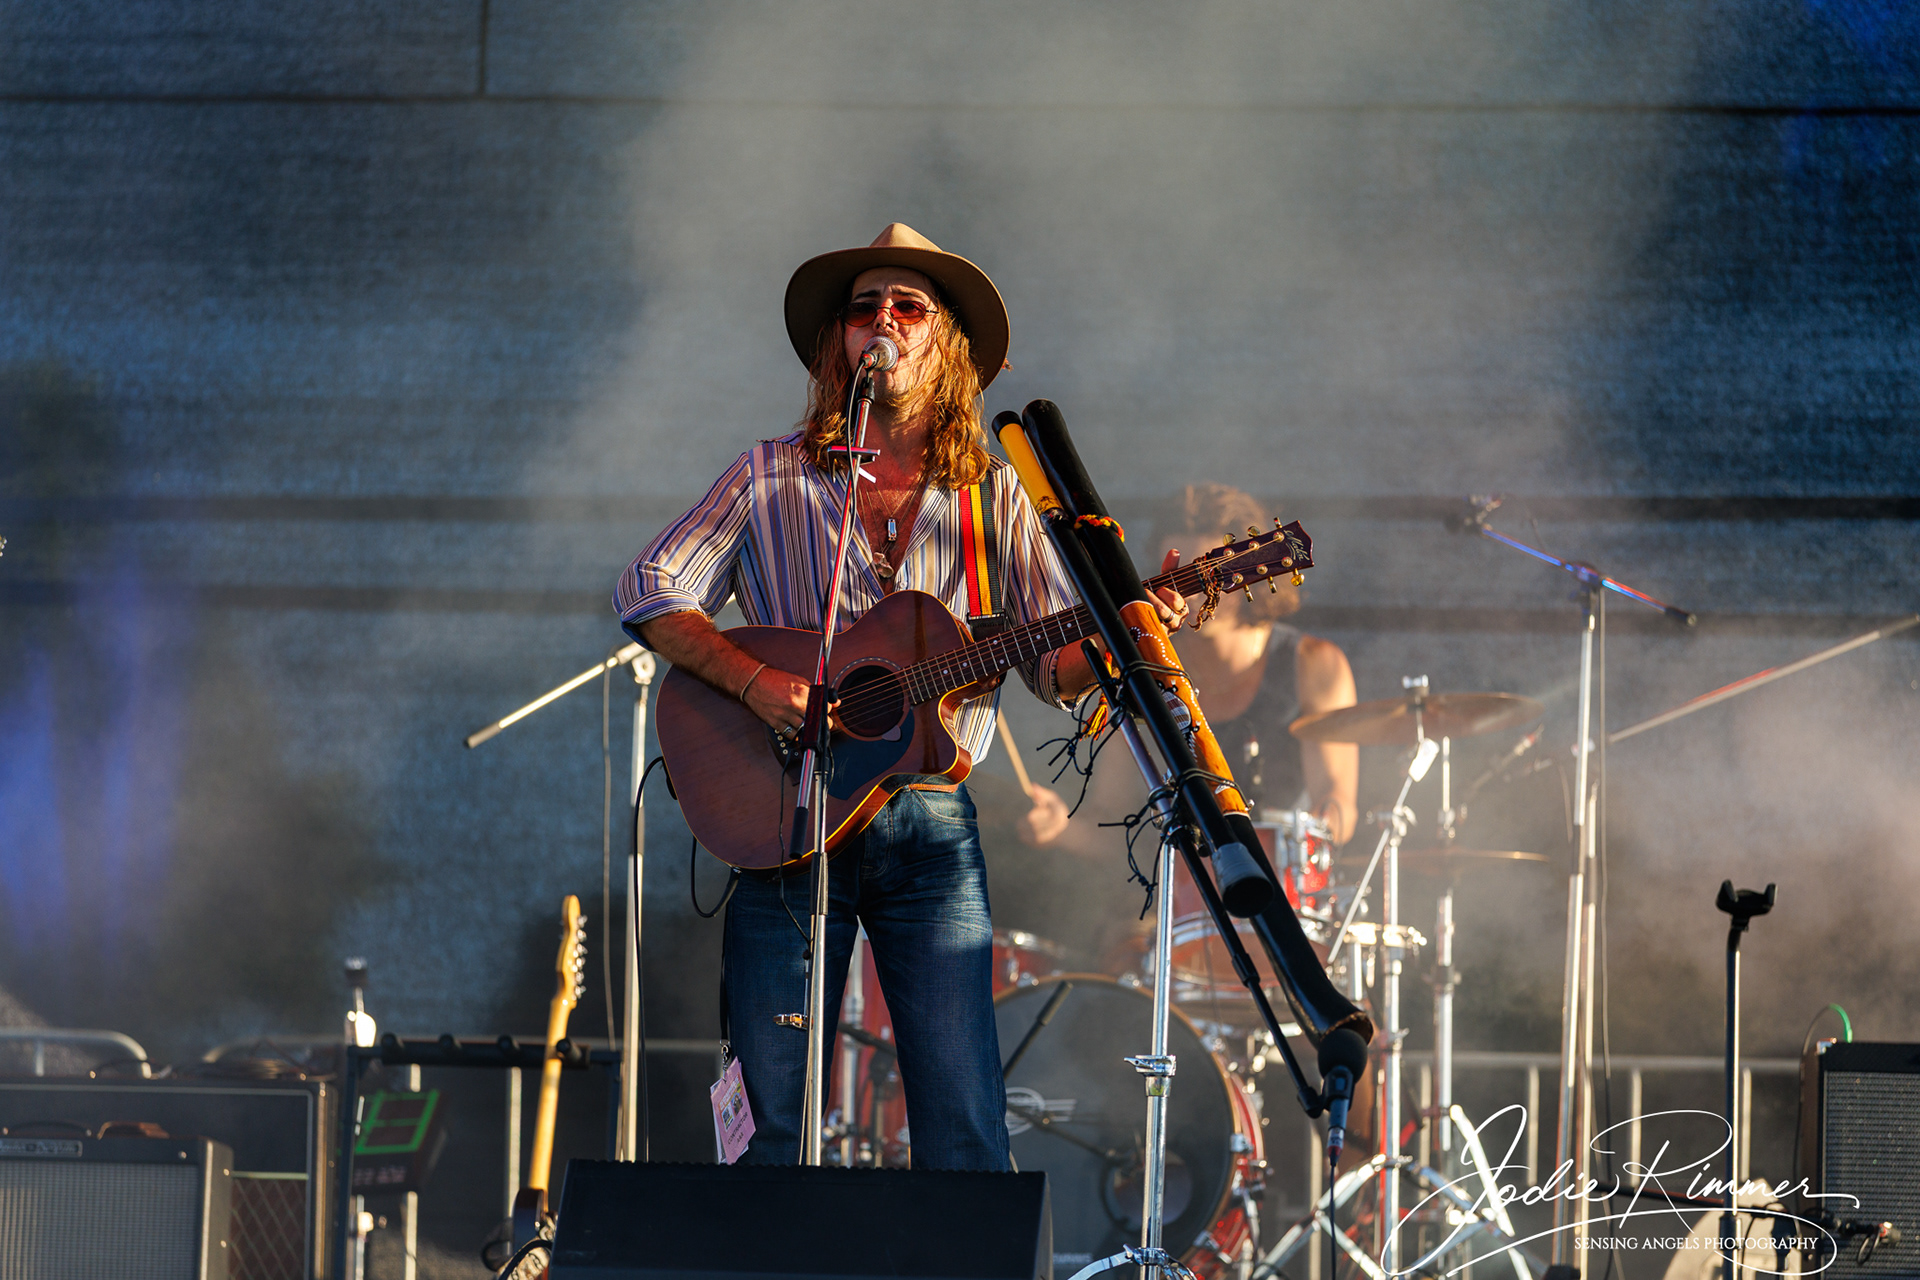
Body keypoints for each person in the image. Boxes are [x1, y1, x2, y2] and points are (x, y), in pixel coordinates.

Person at [614, 224, 1176, 1170]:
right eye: (865, 306)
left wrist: (1134, 631)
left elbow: (1057, 668)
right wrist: (756, 683)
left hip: (929, 831)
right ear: (840, 341)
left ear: (943, 344)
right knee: (770, 1129)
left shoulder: (992, 496)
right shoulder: (772, 472)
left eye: (907, 306)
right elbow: (648, 587)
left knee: (963, 1125)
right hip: (785, 812)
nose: (883, 319)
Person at [1018, 482, 1359, 926]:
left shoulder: (1313, 664)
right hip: (1173, 909)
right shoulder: (1139, 668)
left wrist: (1315, 832)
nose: (1190, 594)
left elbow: (1339, 802)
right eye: (1178, 580)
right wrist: (1059, 829)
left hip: (1286, 900)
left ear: (1246, 576)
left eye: (1205, 577)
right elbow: (1111, 820)